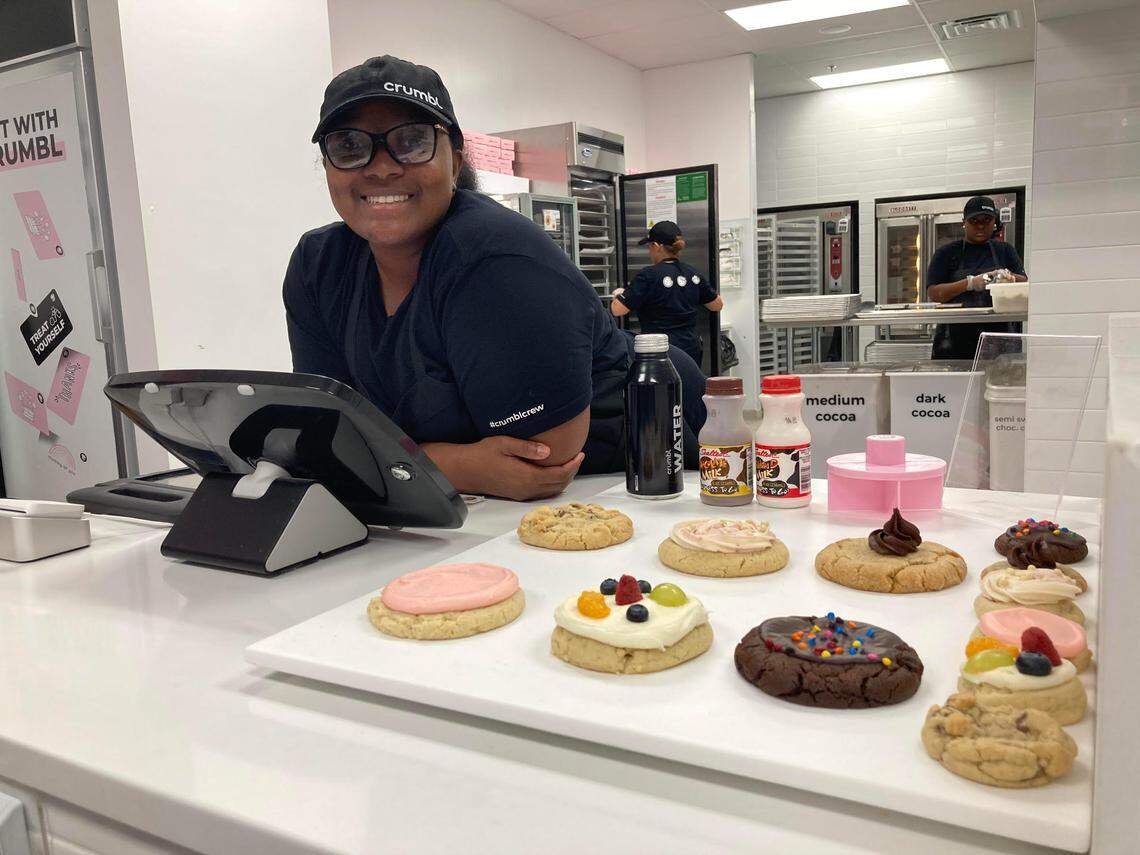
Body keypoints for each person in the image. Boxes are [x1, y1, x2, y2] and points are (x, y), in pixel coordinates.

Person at [283, 55, 706, 501]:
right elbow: (325, 431)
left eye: (412, 142)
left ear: (454, 161)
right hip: (443, 501)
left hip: (620, 477)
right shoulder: (318, 266)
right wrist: (458, 464)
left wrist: (390, 459)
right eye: (349, 145)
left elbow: (541, 461)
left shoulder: (494, 256)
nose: (381, 166)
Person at [926, 195, 1027, 360]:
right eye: (974, 221)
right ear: (964, 223)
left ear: (994, 222)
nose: (980, 226)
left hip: (998, 339)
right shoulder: (947, 253)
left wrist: (1008, 277)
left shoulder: (1005, 251)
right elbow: (934, 293)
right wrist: (970, 283)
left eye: (986, 220)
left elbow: (1025, 283)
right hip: (954, 342)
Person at [609, 220, 723, 366]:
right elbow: (717, 305)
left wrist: (620, 294)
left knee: (664, 389)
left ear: (656, 246)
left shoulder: (648, 275)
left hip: (659, 351)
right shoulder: (692, 274)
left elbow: (617, 309)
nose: (650, 251)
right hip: (690, 349)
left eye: (650, 246)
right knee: (689, 386)